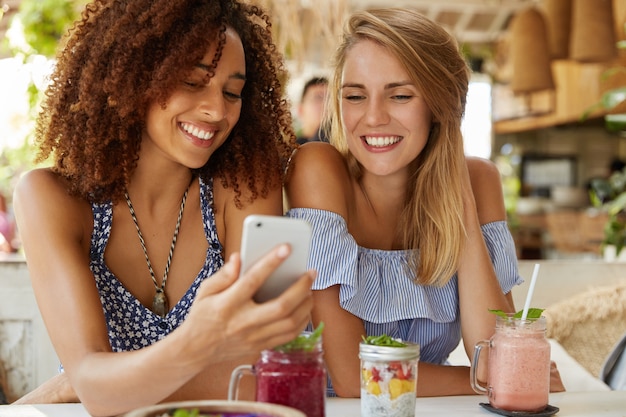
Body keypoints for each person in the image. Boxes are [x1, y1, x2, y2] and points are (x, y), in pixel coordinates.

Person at [12, 1, 315, 416]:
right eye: (193, 82)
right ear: (134, 78)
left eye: (232, 92)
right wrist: (196, 351)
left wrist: (81, 385)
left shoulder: (245, 186)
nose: (217, 110)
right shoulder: (52, 198)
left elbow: (268, 373)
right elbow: (98, 390)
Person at [285, 8, 565, 397]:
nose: (373, 117)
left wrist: (459, 195)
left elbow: (491, 353)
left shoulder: (479, 181)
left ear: (439, 105)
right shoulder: (318, 169)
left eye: (400, 95)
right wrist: (489, 382)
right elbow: (352, 377)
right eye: (354, 96)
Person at [296, 76, 329, 144]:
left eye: (330, 99)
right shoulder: (291, 150)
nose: (327, 104)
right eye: (318, 98)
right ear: (300, 110)